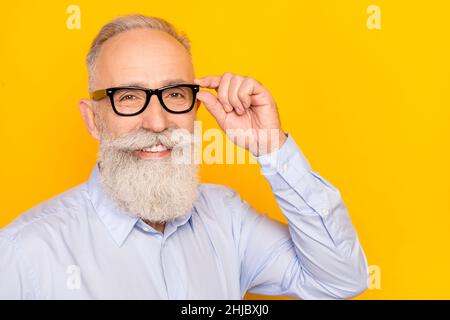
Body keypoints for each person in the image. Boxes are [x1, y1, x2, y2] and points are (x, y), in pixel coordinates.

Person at [0, 14, 369, 299]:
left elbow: (339, 280)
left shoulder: (227, 217)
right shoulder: (24, 253)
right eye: (128, 97)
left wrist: (272, 147)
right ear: (93, 118)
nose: (157, 121)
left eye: (175, 94)